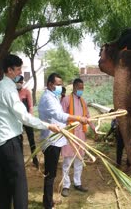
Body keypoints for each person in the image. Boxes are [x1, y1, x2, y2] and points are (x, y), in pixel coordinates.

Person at [0, 54, 60, 209]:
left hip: (1, 142)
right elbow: (24, 116)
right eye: (18, 69)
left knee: (6, 183)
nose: (20, 72)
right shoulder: (8, 89)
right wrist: (47, 126)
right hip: (10, 141)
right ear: (10, 70)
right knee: (20, 185)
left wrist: (5, 118)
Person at [38, 74, 89, 209]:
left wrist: (68, 126)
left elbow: (59, 119)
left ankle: (48, 201)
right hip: (51, 141)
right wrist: (78, 118)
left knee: (52, 173)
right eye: (58, 84)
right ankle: (48, 204)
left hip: (57, 140)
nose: (60, 87)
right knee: (50, 174)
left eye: (61, 84)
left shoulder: (53, 97)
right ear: (50, 84)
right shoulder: (48, 98)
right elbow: (59, 115)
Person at [60, 78, 97, 197]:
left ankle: (77, 183)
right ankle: (66, 185)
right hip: (69, 134)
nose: (81, 90)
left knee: (79, 159)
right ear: (74, 87)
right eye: (80, 88)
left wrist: (93, 128)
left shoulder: (83, 101)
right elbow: (61, 116)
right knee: (67, 161)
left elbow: (88, 116)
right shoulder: (66, 100)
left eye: (82, 88)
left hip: (81, 134)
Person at [16, 75, 39, 168]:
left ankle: (35, 158)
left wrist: (29, 117)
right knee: (19, 139)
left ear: (22, 83)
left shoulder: (26, 92)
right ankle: (20, 160)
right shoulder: (13, 93)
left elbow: (30, 106)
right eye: (17, 82)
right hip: (17, 120)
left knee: (31, 139)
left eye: (20, 82)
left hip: (27, 118)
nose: (19, 84)